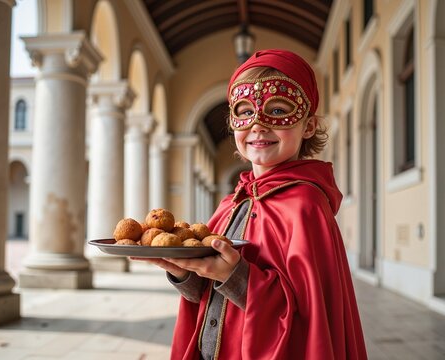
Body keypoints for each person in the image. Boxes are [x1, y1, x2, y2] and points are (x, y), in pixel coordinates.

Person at [132, 49, 367, 359]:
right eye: (244, 112)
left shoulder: (306, 207)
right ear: (233, 123)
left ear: (308, 126)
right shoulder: (231, 203)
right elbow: (202, 292)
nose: (257, 124)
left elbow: (309, 322)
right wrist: (181, 270)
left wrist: (236, 276)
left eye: (279, 110)